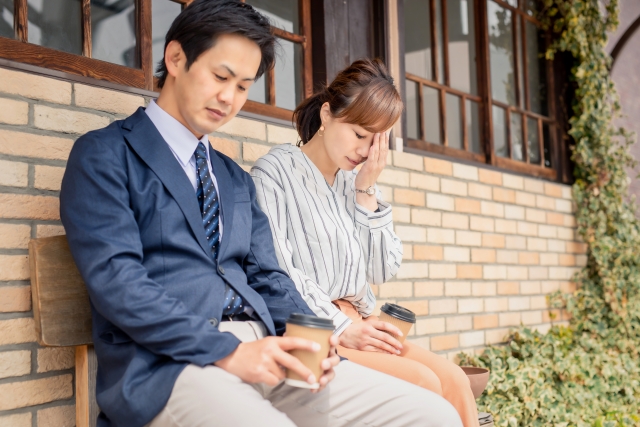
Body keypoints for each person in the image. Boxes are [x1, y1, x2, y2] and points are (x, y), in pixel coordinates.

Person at [59, 1, 463, 426]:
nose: (229, 98)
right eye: (221, 76)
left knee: (430, 413)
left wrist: (312, 343)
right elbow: (119, 283)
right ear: (175, 58)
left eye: (243, 86)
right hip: (169, 364)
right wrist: (229, 352)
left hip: (270, 351)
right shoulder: (104, 155)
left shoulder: (233, 178)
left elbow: (270, 276)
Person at [250, 58, 479, 427]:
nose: (365, 151)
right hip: (318, 330)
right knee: (426, 383)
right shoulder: (274, 173)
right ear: (327, 115)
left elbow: (381, 269)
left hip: (364, 322)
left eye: (377, 140)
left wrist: (366, 188)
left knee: (454, 380)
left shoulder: (353, 180)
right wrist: (343, 327)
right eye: (360, 135)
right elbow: (280, 270)